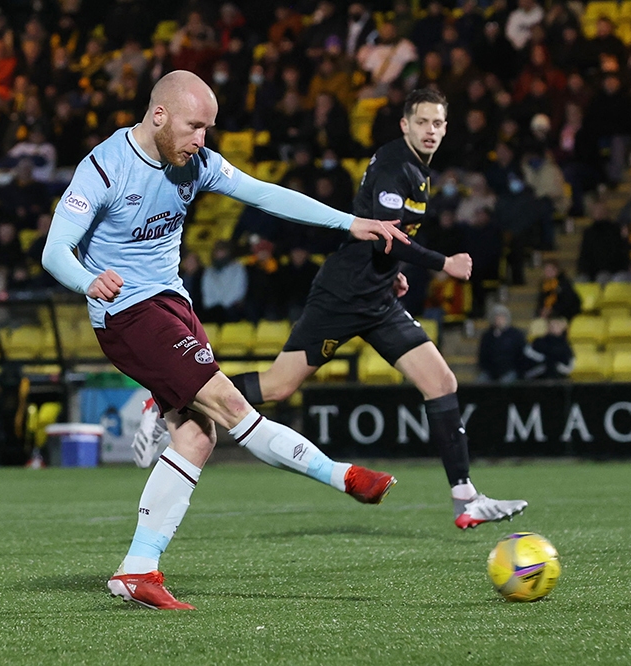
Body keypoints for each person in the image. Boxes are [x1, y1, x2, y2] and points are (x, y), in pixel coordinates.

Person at [41, 71, 407, 610]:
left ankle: (138, 570)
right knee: (231, 406)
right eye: (195, 127)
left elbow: (262, 193)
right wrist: (88, 280)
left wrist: (349, 222)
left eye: (208, 129)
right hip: (126, 313)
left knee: (197, 436)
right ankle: (343, 476)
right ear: (160, 116)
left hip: (173, 305)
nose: (202, 140)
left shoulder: (198, 164)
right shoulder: (104, 167)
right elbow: (54, 252)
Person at [136, 88, 528, 535]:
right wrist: (445, 263)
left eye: (438, 123)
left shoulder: (418, 171)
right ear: (405, 124)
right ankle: (165, 398)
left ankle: (466, 499)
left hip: (379, 299)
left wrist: (393, 273)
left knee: (441, 381)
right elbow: (383, 234)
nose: (431, 131)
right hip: (343, 296)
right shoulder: (395, 165)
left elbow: (389, 240)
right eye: (422, 122)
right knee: (278, 386)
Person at [477, 305, 526, 384]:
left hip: (509, 370)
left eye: (501, 317)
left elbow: (521, 355)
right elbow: (483, 355)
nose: (498, 319)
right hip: (490, 372)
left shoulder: (516, 335)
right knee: (479, 383)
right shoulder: (487, 336)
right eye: (496, 317)